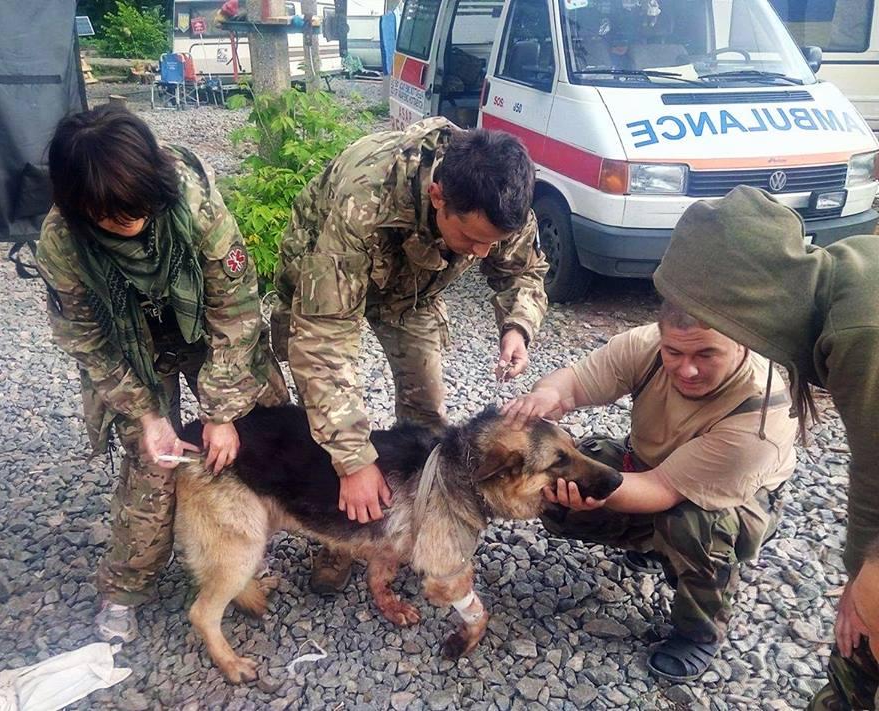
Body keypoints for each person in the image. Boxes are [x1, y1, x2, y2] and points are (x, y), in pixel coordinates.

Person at [36, 105, 288, 643]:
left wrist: (220, 412)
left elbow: (236, 308)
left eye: (140, 209)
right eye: (112, 216)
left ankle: (239, 552)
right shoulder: (61, 242)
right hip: (132, 351)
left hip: (210, 332)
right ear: (77, 205)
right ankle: (126, 588)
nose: (132, 223)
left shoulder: (189, 199)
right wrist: (147, 414)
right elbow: (88, 341)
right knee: (154, 465)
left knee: (262, 432)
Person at [271, 117, 548, 594]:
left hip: (411, 294)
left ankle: (419, 526)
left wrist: (517, 326)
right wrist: (354, 460)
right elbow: (323, 342)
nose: (482, 255)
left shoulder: (501, 195)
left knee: (428, 418)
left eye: (493, 242)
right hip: (325, 286)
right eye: (471, 240)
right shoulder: (364, 198)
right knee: (326, 423)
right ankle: (340, 538)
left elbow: (524, 271)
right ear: (439, 197)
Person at [654, 185, 879, 707]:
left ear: (738, 299)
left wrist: (864, 580)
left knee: (861, 654)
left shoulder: (859, 328)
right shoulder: (847, 274)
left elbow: (875, 477)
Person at [503, 301, 798, 681]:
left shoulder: (760, 416)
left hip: (732, 498)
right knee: (576, 471)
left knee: (694, 524)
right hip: (650, 463)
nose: (687, 369)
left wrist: (593, 492)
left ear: (742, 343)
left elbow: (661, 490)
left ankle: (700, 630)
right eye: (674, 353)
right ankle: (648, 544)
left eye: (706, 354)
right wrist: (546, 395)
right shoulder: (649, 345)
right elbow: (573, 383)